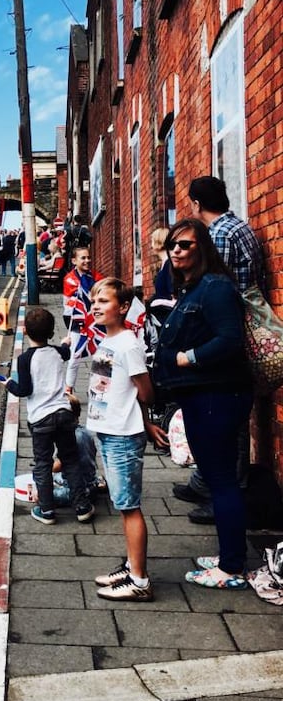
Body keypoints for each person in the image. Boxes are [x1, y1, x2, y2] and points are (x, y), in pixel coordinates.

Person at [153, 219, 253, 590]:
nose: (177, 251)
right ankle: (231, 553)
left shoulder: (215, 288)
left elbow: (230, 339)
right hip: (201, 396)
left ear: (204, 249)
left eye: (186, 245)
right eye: (173, 246)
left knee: (222, 480)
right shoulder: (193, 289)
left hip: (217, 396)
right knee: (216, 478)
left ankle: (231, 567)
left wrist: (187, 358)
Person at [174, 176, 266, 524]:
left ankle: (228, 493)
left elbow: (212, 283)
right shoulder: (237, 227)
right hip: (232, 328)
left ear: (197, 203)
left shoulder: (220, 236)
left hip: (226, 335)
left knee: (228, 423)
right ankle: (207, 482)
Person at [86, 277, 165, 601]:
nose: (95, 306)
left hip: (121, 436)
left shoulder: (129, 344)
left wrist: (141, 421)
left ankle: (139, 581)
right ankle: (132, 564)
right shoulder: (109, 341)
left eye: (103, 301)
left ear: (122, 307)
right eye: (94, 301)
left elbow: (145, 391)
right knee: (122, 505)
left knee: (129, 507)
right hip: (109, 430)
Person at [5, 307, 95, 526]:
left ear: (25, 331)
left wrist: (10, 384)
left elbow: (24, 390)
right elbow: (65, 350)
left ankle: (46, 510)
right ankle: (82, 507)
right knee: (70, 460)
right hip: (64, 414)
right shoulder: (56, 352)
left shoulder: (25, 359)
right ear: (51, 332)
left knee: (43, 464)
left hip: (41, 419)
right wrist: (66, 342)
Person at [62, 246, 104, 392]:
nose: (87, 260)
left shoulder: (97, 277)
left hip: (96, 322)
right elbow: (67, 306)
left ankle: (98, 387)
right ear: (74, 260)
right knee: (75, 356)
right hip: (78, 322)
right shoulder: (69, 280)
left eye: (88, 257)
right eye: (83, 258)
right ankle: (68, 388)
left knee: (99, 356)